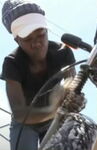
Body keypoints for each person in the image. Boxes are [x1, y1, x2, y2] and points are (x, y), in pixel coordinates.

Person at [1, 0, 84, 149]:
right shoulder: (12, 63)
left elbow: (73, 86)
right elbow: (20, 113)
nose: (37, 43)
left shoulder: (63, 52)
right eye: (27, 39)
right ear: (17, 40)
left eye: (40, 35)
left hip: (55, 119)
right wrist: (53, 110)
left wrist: (75, 99)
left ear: (47, 30)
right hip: (25, 123)